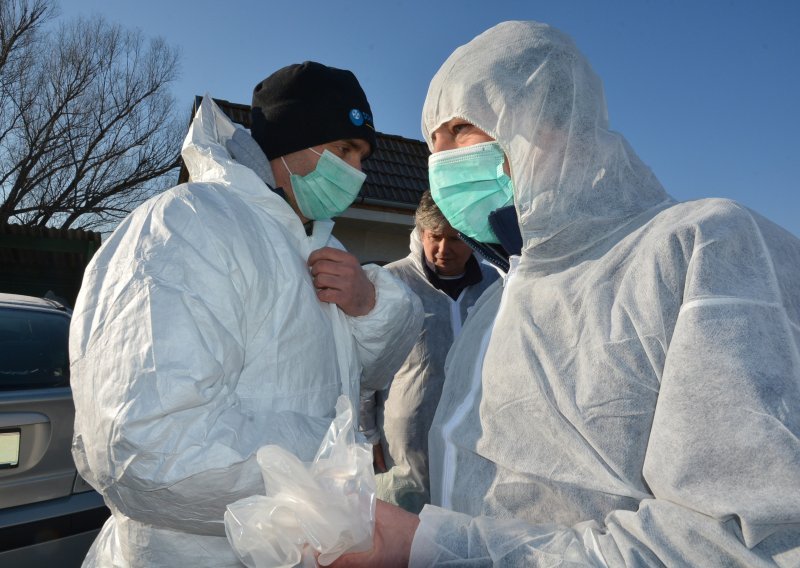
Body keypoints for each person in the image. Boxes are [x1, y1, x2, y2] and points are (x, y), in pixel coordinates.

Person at [330, 21, 800, 567]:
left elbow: (749, 539)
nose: (443, 161)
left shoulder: (701, 248)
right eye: (434, 141)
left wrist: (436, 549)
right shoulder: (501, 301)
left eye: (463, 130)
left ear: (556, 122)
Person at [69, 61, 423, 567]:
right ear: (291, 140)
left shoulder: (319, 244)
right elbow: (148, 447)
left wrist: (368, 304)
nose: (358, 172)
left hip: (300, 547)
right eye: (345, 150)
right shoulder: (189, 225)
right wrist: (329, 471)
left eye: (363, 156)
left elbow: (368, 373)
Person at [360, 190, 499, 514]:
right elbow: (364, 369)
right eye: (434, 237)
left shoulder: (495, 286)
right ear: (420, 233)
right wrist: (368, 436)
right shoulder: (389, 283)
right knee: (404, 527)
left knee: (464, 524)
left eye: (456, 239)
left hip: (476, 434)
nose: (444, 249)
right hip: (406, 439)